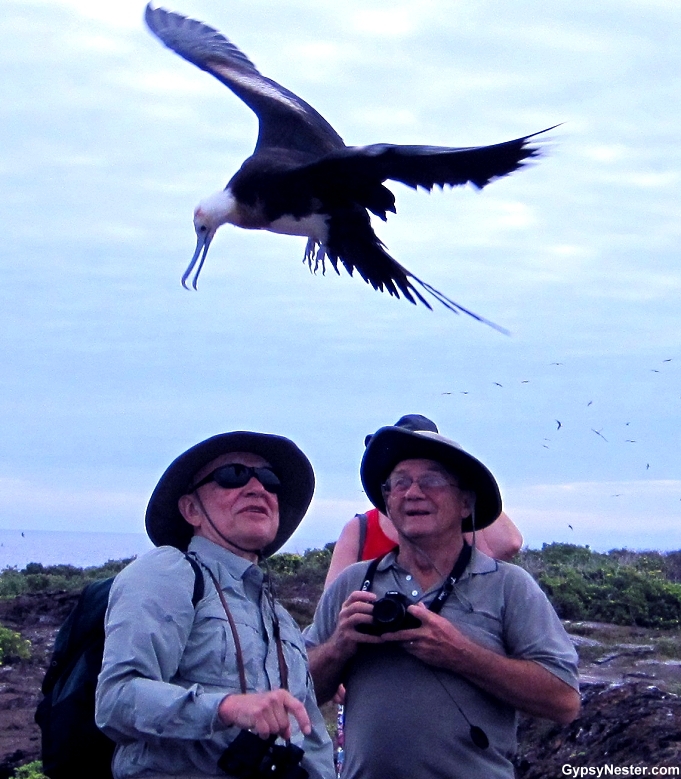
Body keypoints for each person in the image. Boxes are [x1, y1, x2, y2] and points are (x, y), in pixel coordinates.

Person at [304, 423, 580, 779]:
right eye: (399, 483)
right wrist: (338, 647)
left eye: (432, 481)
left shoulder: (509, 586)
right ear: (387, 501)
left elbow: (564, 701)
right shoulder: (354, 583)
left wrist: (460, 654)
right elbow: (298, 691)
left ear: (466, 503)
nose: (413, 493)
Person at [95, 431, 335, 779]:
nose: (258, 488)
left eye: (270, 480)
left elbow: (310, 735)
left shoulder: (279, 618)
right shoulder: (169, 572)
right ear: (191, 509)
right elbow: (115, 699)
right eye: (233, 475)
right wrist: (225, 707)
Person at [324, 414, 523, 587]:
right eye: (402, 479)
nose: (414, 492)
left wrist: (466, 485)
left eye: (430, 479)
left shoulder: (454, 522)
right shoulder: (360, 529)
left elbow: (508, 544)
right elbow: (332, 604)